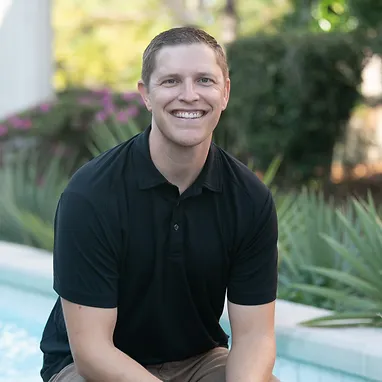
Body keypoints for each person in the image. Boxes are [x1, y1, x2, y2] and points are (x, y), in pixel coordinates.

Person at [40, 26, 280, 382]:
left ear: (225, 92)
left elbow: (255, 337)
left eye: (204, 80)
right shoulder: (91, 195)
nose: (189, 95)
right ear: (146, 95)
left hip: (199, 360)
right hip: (94, 368)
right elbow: (92, 351)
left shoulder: (249, 199)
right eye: (170, 81)